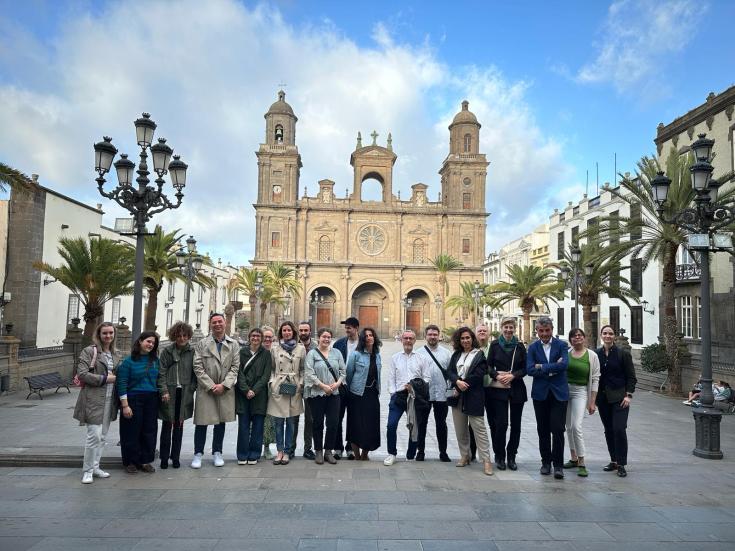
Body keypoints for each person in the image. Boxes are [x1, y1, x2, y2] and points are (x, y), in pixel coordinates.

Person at [191, 313, 240, 469]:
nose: (217, 324)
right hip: (207, 389)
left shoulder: (234, 344)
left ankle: (217, 452)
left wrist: (224, 385)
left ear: (225, 323)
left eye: (220, 321)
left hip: (224, 389)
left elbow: (235, 367)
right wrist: (211, 385)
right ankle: (198, 453)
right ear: (210, 324)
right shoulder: (202, 344)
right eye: (214, 322)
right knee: (202, 422)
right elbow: (197, 367)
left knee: (220, 422)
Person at [73, 322, 119, 484]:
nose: (108, 336)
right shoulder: (89, 351)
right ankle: (87, 471)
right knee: (94, 435)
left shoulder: (115, 354)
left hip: (109, 400)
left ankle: (96, 466)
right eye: (104, 333)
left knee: (103, 436)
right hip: (93, 399)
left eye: (111, 333)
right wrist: (105, 379)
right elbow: (82, 374)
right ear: (99, 334)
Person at [447, 327, 493, 476]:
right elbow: (450, 372)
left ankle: (486, 461)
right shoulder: (456, 355)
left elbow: (479, 374)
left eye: (467, 338)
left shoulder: (479, 355)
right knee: (461, 429)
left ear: (472, 339)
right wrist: (456, 381)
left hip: (474, 396)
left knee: (479, 429)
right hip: (457, 397)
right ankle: (465, 455)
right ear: (458, 341)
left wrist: (461, 384)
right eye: (462, 338)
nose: (465, 341)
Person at [527, 316, 569, 479]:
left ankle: (558, 465)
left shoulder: (562, 345)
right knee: (542, 430)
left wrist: (542, 367)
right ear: (537, 331)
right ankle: (546, 463)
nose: (544, 334)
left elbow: (564, 364)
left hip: (559, 394)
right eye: (541, 331)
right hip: (540, 394)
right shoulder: (532, 348)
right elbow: (530, 369)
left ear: (552, 330)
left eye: (547, 330)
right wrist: (553, 368)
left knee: (558, 430)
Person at [485, 316, 527, 471]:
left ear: (514, 329)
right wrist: (497, 376)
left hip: (516, 388)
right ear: (502, 328)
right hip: (498, 389)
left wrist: (513, 375)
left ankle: (511, 456)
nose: (508, 330)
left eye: (511, 327)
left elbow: (525, 368)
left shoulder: (520, 346)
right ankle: (499, 455)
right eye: (506, 327)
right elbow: (488, 366)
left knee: (516, 425)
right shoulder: (495, 345)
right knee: (500, 424)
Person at [384, 329, 432, 466]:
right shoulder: (395, 358)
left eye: (411, 338)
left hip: (414, 397)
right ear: (401, 340)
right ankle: (391, 453)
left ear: (415, 340)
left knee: (414, 427)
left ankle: (411, 455)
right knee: (391, 425)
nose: (408, 341)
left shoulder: (422, 359)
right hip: (398, 396)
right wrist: (393, 393)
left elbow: (427, 378)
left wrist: (414, 388)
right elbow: (391, 377)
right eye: (406, 338)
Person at [117, 330, 160, 474]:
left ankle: (145, 460)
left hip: (151, 399)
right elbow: (122, 382)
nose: (151, 345)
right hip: (133, 398)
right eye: (148, 341)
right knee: (131, 431)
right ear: (140, 341)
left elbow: (160, 379)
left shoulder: (155, 361)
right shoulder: (128, 361)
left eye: (153, 343)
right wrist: (125, 405)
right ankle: (130, 461)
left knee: (149, 430)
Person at [596, 325, 636, 478]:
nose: (608, 336)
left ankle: (621, 464)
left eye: (610, 334)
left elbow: (631, 377)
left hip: (620, 398)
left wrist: (628, 395)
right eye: (605, 333)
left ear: (614, 336)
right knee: (609, 430)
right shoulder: (596, 354)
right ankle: (613, 460)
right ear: (601, 335)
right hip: (603, 399)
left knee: (619, 429)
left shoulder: (622, 354)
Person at [157, 321, 196, 470]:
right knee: (167, 425)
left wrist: (192, 388)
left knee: (179, 425)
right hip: (169, 392)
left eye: (184, 335)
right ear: (174, 336)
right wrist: (164, 390)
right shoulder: (167, 351)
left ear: (188, 336)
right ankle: (164, 458)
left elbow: (196, 372)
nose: (182, 338)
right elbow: (161, 372)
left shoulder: (192, 351)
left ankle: (176, 457)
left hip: (184, 392)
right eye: (179, 336)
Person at [304, 327, 346, 464]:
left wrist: (337, 384)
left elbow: (343, 372)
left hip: (334, 393)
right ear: (319, 338)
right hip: (317, 394)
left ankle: (328, 451)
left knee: (333, 423)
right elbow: (309, 373)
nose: (326, 339)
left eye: (329, 337)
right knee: (317, 423)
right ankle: (318, 451)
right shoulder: (312, 354)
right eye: (324, 337)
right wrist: (323, 386)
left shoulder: (337, 353)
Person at [563, 328, 600, 478]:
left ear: (584, 338)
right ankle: (573, 458)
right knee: (568, 427)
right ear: (570, 339)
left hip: (580, 392)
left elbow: (595, 378)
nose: (577, 337)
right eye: (574, 336)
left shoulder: (592, 356)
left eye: (580, 335)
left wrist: (592, 402)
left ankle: (582, 461)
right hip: (565, 392)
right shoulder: (566, 354)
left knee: (576, 426)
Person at [267, 321, 306, 465]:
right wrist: (272, 382)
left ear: (293, 332)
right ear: (281, 332)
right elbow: (271, 368)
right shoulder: (275, 348)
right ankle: (279, 451)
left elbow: (303, 369)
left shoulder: (301, 349)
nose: (287, 333)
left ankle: (288, 452)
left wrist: (300, 383)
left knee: (291, 423)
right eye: (284, 330)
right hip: (279, 387)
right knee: (278, 422)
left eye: (289, 330)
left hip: (294, 387)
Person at [416, 324, 452, 462]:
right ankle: (421, 452)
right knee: (422, 423)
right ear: (425, 336)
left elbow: (451, 373)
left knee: (441, 424)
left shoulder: (446, 353)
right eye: (430, 334)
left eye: (435, 335)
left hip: (442, 394)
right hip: (424, 395)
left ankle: (443, 452)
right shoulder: (418, 353)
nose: (432, 337)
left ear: (439, 336)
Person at [236, 328, 272, 465]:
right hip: (242, 394)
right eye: (253, 336)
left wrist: (254, 390)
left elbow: (266, 375)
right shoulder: (241, 352)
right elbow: (238, 372)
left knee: (258, 426)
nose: (255, 338)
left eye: (258, 336)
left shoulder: (266, 354)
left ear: (261, 338)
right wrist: (246, 390)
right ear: (249, 337)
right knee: (243, 426)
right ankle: (242, 454)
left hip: (259, 394)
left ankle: (254, 454)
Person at [346, 327, 382, 460]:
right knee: (355, 424)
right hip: (357, 394)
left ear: (374, 337)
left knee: (371, 424)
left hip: (372, 394)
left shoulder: (377, 355)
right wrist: (350, 393)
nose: (368, 338)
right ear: (362, 339)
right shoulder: (356, 355)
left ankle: (365, 454)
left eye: (371, 335)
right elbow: (348, 375)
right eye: (366, 336)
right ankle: (356, 455)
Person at [333, 316, 360, 459]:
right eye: (346, 327)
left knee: (353, 418)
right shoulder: (338, 344)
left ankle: (350, 447)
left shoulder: (364, 344)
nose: (347, 330)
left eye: (349, 327)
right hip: (341, 386)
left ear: (356, 328)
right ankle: (337, 448)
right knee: (337, 417)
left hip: (356, 388)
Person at [292, 321, 317, 460]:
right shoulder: (293, 346)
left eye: (305, 330)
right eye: (301, 330)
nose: (303, 333)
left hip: (311, 388)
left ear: (310, 331)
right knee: (293, 418)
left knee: (310, 420)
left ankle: (308, 449)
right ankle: (291, 448)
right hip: (296, 387)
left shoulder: (317, 347)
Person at [260, 326, 277, 460]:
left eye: (270, 337)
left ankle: (266, 447)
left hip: (271, 389)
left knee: (269, 421)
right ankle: (254, 445)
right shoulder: (256, 352)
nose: (267, 339)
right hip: (257, 389)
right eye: (265, 337)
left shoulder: (275, 352)